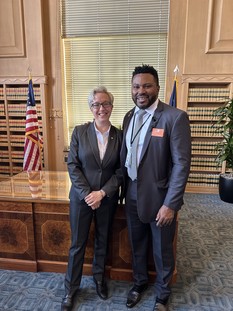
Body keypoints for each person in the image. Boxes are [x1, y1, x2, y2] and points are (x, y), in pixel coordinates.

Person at [120, 65, 191, 311]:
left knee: (162, 249)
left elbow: (181, 164)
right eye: (136, 86)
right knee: (136, 243)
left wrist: (171, 204)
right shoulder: (128, 116)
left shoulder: (174, 117)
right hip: (131, 193)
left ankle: (162, 295)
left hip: (160, 197)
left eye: (147, 86)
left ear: (157, 88)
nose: (141, 91)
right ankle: (139, 282)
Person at [61, 86, 122, 311]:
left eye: (106, 103)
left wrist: (102, 193)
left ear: (112, 107)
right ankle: (70, 288)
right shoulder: (79, 132)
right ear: (90, 107)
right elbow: (73, 166)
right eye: (96, 104)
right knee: (77, 244)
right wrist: (88, 194)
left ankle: (99, 279)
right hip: (81, 199)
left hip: (106, 198)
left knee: (102, 240)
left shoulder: (120, 135)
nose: (101, 108)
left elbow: (120, 170)